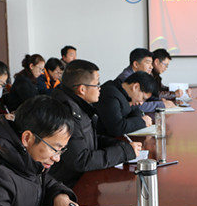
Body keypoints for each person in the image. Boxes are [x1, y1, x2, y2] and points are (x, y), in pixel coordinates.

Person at [50, 59, 141, 187]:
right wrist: (123, 152)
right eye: (97, 84)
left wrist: (121, 145)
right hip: (70, 185)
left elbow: (89, 140)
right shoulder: (67, 113)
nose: (100, 88)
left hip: (84, 177)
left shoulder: (79, 106)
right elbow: (81, 160)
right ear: (82, 89)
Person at [96, 71, 157, 137]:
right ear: (135, 87)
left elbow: (136, 112)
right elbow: (117, 128)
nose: (141, 102)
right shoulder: (110, 94)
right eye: (143, 98)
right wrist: (142, 121)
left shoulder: (127, 95)